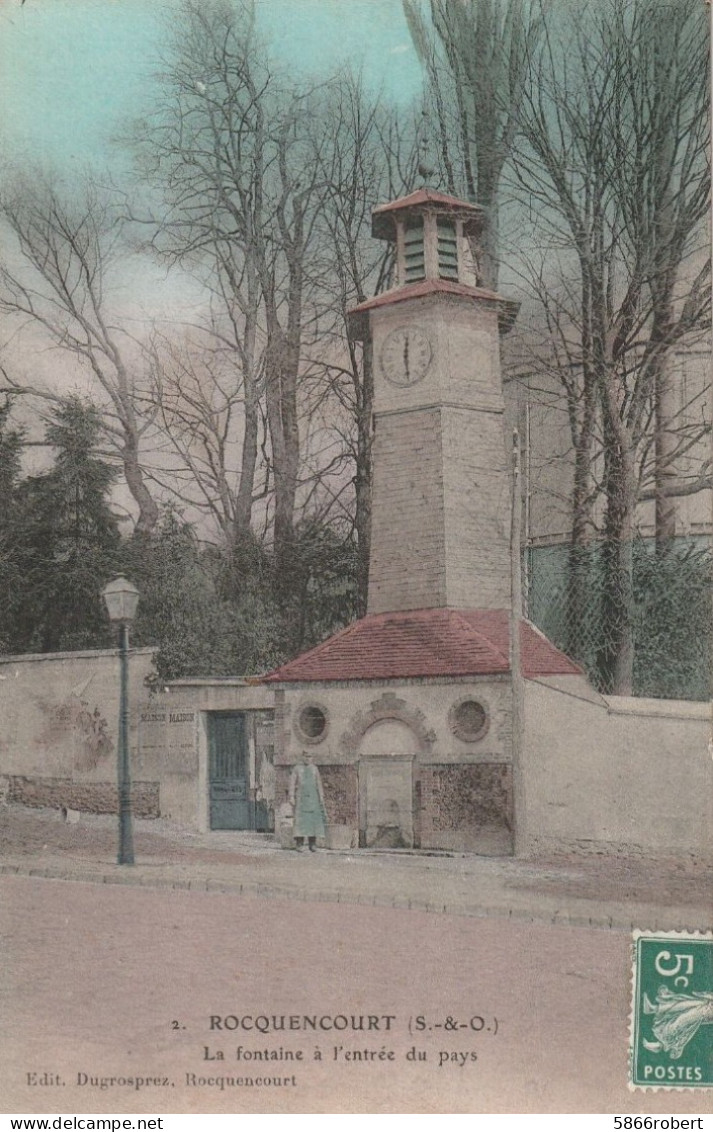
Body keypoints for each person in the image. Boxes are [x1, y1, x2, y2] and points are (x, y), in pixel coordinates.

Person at [289, 751, 327, 852]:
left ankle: (312, 844)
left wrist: (321, 797)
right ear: (302, 757)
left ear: (312, 758)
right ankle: (299, 844)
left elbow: (318, 783)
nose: (308, 759)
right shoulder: (297, 769)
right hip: (301, 798)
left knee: (312, 821)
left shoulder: (314, 769)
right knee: (301, 821)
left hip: (313, 798)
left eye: (310, 757)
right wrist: (291, 796)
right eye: (306, 757)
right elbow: (292, 783)